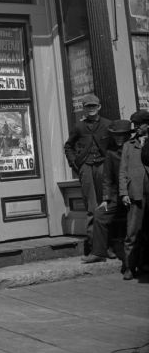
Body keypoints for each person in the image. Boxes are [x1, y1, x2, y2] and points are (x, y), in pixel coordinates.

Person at [64, 94, 112, 254]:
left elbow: (113, 146)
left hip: (103, 167)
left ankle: (109, 245)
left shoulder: (107, 124)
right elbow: (68, 146)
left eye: (94, 106)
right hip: (86, 168)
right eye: (88, 106)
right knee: (92, 207)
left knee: (106, 206)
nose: (91, 109)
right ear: (84, 108)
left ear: (99, 107)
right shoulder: (79, 126)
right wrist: (75, 163)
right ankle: (94, 247)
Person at [81, 120, 132, 264]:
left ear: (128, 135)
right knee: (100, 214)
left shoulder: (135, 150)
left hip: (134, 194)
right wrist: (106, 198)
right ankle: (99, 252)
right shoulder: (111, 153)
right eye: (116, 136)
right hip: (116, 196)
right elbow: (107, 178)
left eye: (122, 135)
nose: (119, 139)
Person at [119, 110, 149, 280]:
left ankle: (145, 264)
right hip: (135, 194)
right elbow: (122, 171)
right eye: (135, 125)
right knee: (132, 233)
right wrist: (124, 193)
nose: (136, 128)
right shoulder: (128, 145)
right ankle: (129, 267)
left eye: (139, 125)